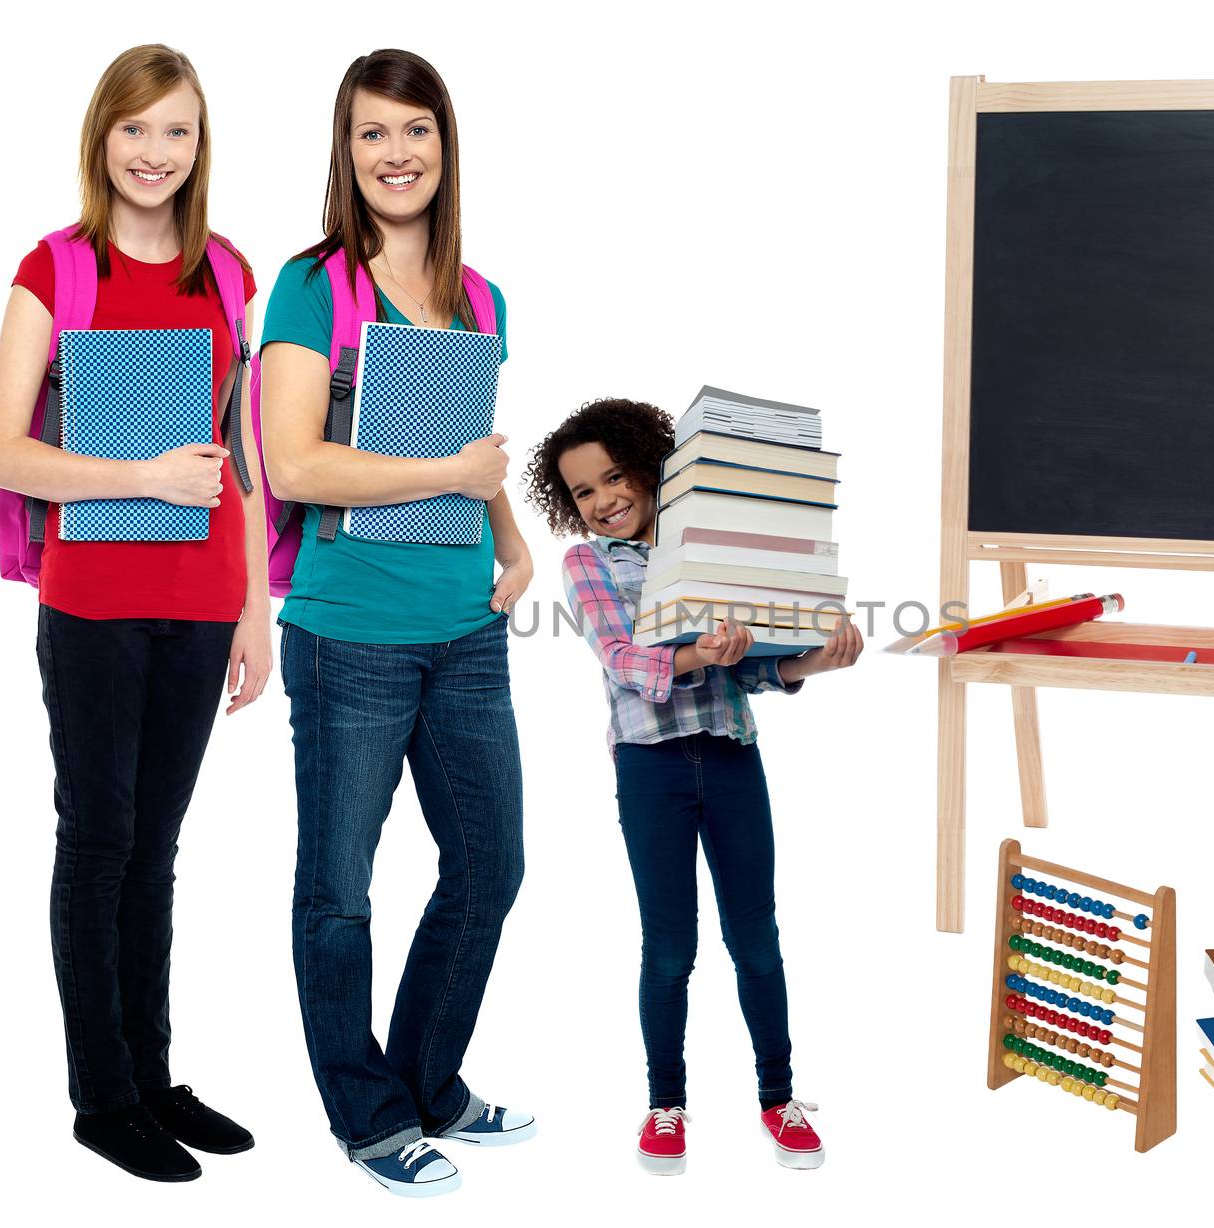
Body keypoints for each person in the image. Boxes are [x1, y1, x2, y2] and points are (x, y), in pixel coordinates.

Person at [0, 44, 267, 1183]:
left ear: (201, 146)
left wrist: (252, 609)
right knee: (97, 843)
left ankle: (152, 1073)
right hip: (92, 602)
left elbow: (240, 451)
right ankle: (102, 1095)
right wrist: (142, 477)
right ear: (104, 138)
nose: (157, 154)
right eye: (137, 130)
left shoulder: (228, 271)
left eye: (179, 132)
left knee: (157, 848)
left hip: (202, 605)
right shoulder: (55, 268)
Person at [258, 48, 533, 1198]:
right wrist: (450, 468)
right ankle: (367, 1118)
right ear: (346, 151)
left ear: (443, 142)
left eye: (414, 129)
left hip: (462, 622)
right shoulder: (313, 285)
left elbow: (476, 456)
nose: (396, 153)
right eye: (372, 134)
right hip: (347, 631)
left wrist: (512, 542)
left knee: (490, 864)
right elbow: (293, 459)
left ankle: (426, 1081)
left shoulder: (481, 297)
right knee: (340, 886)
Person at [524, 398, 863, 1175]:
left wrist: (817, 658)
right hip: (652, 768)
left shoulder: (705, 547)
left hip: (733, 754)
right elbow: (622, 661)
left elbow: (752, 668)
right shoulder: (587, 564)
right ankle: (664, 1104)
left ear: (650, 467)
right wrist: (700, 655)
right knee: (670, 947)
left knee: (757, 939)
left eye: (615, 477)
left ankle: (778, 1097)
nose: (605, 499)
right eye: (584, 492)